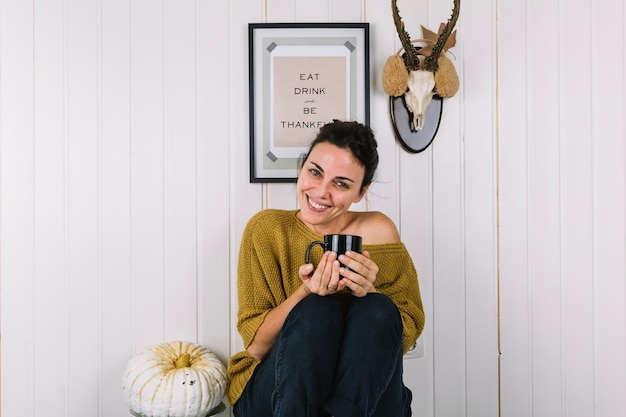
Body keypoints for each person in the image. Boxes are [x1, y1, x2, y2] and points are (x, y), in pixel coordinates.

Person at [227, 120, 425, 417]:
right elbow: (255, 346)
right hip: (275, 390)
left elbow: (404, 333)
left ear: (361, 192)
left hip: (363, 393)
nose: (321, 191)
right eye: (315, 172)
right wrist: (305, 292)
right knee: (318, 310)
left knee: (379, 308)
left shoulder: (380, 231)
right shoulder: (267, 229)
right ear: (302, 167)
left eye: (342, 183)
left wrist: (368, 291)